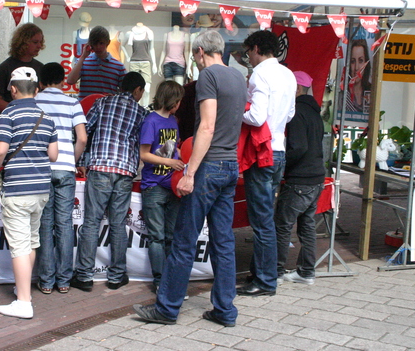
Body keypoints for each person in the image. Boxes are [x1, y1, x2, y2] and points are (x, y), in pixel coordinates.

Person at [133, 30, 247, 327]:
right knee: (223, 242)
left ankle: (167, 309)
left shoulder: (208, 77)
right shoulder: (238, 77)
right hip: (230, 164)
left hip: (208, 167)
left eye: (195, 56)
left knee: (184, 241)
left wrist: (190, 172)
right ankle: (225, 310)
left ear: (199, 52)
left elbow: (206, 127)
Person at [0, 67, 58, 319]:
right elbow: (53, 155)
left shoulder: (8, 113)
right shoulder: (46, 118)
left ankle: (23, 302)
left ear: (13, 89)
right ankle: (23, 289)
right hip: (41, 188)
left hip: (17, 188)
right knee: (29, 241)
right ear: (37, 89)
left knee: (18, 245)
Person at [71, 72, 147, 292]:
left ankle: (84, 276)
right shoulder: (141, 112)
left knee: (92, 222)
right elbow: (143, 145)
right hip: (124, 171)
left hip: (99, 168)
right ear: (137, 90)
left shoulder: (101, 103)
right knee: (118, 223)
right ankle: (116, 275)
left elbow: (86, 133)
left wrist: (83, 160)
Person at [238, 30, 296, 297]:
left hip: (263, 151)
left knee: (261, 221)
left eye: (248, 52)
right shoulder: (288, 74)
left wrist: (237, 110)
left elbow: (257, 116)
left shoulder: (260, 73)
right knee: (266, 219)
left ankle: (264, 279)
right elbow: (291, 113)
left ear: (257, 48)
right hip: (279, 149)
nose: (248, 58)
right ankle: (261, 273)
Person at [34, 62, 88, 294]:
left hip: (42, 168)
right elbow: (82, 139)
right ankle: (64, 280)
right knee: (65, 223)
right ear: (62, 80)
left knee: (45, 224)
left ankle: (46, 281)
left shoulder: (35, 101)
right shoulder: (72, 101)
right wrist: (73, 161)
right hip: (66, 168)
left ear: (42, 82)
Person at [276, 71, 325, 285]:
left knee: (282, 225)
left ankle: (275, 272)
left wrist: (283, 167)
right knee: (306, 226)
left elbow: (298, 147)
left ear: (296, 88)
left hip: (300, 179)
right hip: (316, 178)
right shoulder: (315, 113)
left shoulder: (296, 113)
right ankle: (306, 272)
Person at [139, 80, 185, 290]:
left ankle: (170, 280)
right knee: (157, 237)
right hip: (154, 185)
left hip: (172, 184)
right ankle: (161, 282)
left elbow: (173, 148)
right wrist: (170, 162)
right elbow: (144, 154)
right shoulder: (151, 121)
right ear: (172, 100)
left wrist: (181, 156)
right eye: (178, 100)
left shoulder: (174, 120)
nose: (180, 104)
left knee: (170, 236)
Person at [0, 23, 45, 112]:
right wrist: (18, 110)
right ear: (23, 42)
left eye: (40, 42)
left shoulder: (41, 68)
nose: (39, 46)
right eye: (35, 42)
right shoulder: (5, 67)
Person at [66, 26, 126, 101]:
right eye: (95, 43)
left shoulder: (118, 66)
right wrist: (83, 56)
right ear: (90, 44)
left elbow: (125, 93)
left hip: (106, 109)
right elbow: (70, 81)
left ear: (108, 43)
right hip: (85, 109)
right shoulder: (83, 61)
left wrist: (115, 98)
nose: (98, 47)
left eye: (101, 43)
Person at [126, 23, 156, 106]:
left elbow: (151, 48)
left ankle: (145, 107)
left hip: (145, 62)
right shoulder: (130, 33)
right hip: (134, 62)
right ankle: (135, 107)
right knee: (133, 88)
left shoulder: (148, 32)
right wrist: (127, 56)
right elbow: (122, 45)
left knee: (147, 89)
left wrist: (154, 64)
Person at [347, 39, 371, 113]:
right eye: (353, 61)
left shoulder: (372, 90)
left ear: (366, 63)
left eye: (360, 60)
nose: (356, 67)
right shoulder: (343, 94)